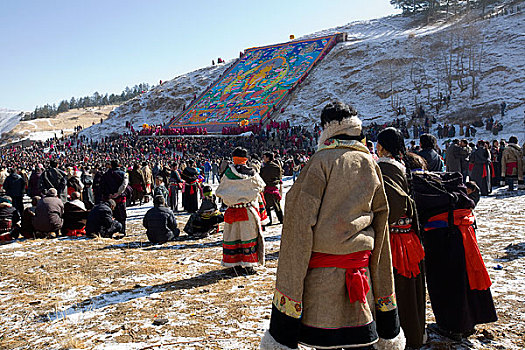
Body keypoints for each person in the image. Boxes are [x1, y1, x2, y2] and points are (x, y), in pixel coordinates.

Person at [261, 102, 404, 350]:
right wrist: (387, 312)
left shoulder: (320, 163)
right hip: (362, 280)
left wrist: (286, 312)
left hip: (323, 285)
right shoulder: (370, 164)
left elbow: (297, 228)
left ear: (325, 128)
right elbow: (381, 232)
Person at [409, 157, 497, 341]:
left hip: (440, 237)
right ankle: (469, 322)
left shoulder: (416, 185)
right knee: (465, 278)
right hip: (461, 232)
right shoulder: (439, 181)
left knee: (445, 283)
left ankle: (452, 326)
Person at [376, 128, 426, 349]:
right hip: (409, 238)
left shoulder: (382, 167)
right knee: (411, 293)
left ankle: (399, 339)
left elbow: (393, 205)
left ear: (382, 147)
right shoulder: (403, 165)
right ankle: (415, 335)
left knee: (397, 292)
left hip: (394, 242)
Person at [216, 147, 267, 275]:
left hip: (232, 211)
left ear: (233, 158)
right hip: (248, 210)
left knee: (233, 237)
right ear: (246, 159)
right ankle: (249, 264)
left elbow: (220, 191)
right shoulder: (253, 173)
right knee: (248, 237)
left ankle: (234, 264)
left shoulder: (227, 174)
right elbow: (261, 187)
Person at [101, 160, 128, 234]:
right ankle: (122, 230)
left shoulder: (105, 175)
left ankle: (111, 231)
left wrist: (109, 194)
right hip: (120, 197)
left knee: (110, 214)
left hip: (109, 198)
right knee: (122, 214)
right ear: (119, 165)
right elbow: (124, 185)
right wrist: (118, 193)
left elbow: (102, 186)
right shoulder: (123, 174)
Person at [260, 152, 283, 225]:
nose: (263, 158)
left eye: (264, 157)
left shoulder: (264, 168)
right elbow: (279, 177)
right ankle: (281, 219)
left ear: (267, 158)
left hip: (267, 188)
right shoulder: (277, 166)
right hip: (275, 188)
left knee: (267, 206)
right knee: (277, 205)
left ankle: (269, 221)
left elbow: (261, 178)